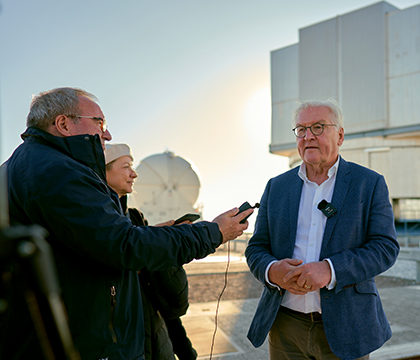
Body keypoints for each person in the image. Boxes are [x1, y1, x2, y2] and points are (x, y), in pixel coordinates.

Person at [0, 87, 253, 360]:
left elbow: (87, 241)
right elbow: (124, 247)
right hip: (81, 344)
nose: (106, 134)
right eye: (100, 123)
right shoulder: (58, 171)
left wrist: (146, 234)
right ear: (63, 123)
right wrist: (213, 232)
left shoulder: (21, 165)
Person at [245, 99, 399, 360]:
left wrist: (330, 269)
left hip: (346, 325)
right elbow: (256, 248)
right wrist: (272, 271)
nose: (308, 136)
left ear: (339, 135)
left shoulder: (369, 183)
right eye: (301, 129)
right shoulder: (277, 186)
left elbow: (385, 248)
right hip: (285, 326)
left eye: (318, 127)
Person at [104, 143, 197, 360]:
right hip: (126, 343)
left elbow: (161, 296)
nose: (134, 174)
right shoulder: (99, 225)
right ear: (102, 172)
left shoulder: (135, 218)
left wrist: (185, 351)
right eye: (126, 167)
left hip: (156, 339)